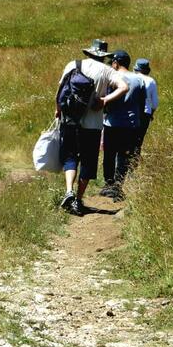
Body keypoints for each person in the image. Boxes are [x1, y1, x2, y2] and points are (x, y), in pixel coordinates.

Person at [56, 39, 128, 216]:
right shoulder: (107, 70)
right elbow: (124, 87)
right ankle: (78, 200)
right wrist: (104, 100)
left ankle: (68, 191)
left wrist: (58, 111)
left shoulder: (73, 64)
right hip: (93, 124)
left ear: (88, 52)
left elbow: (60, 90)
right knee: (88, 162)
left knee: (70, 157)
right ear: (103, 56)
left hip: (70, 119)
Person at [99, 51, 146, 202]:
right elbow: (142, 103)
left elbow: (107, 102)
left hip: (112, 123)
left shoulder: (113, 78)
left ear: (116, 63)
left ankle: (108, 184)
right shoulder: (139, 80)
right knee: (124, 155)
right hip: (131, 124)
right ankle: (118, 186)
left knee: (109, 154)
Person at [132, 58, 158, 156]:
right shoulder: (151, 81)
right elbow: (155, 103)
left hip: (130, 112)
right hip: (145, 114)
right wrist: (151, 113)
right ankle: (134, 163)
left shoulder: (131, 78)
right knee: (138, 141)